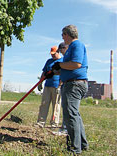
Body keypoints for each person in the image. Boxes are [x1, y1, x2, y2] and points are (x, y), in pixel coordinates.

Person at [52, 25, 89, 154]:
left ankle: (75, 148)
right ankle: (82, 144)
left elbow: (76, 64)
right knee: (75, 115)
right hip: (71, 83)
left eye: (63, 34)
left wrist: (60, 65)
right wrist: (55, 71)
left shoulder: (76, 45)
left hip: (74, 84)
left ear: (67, 34)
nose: (62, 37)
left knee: (70, 115)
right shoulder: (70, 48)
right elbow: (68, 66)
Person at [36, 46, 63, 128]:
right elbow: (44, 72)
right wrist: (40, 83)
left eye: (54, 54)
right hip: (47, 85)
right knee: (44, 104)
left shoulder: (63, 61)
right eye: (51, 54)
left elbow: (63, 74)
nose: (52, 56)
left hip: (57, 86)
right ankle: (41, 122)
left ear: (58, 52)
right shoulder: (49, 61)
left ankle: (54, 123)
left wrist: (60, 85)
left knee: (56, 105)